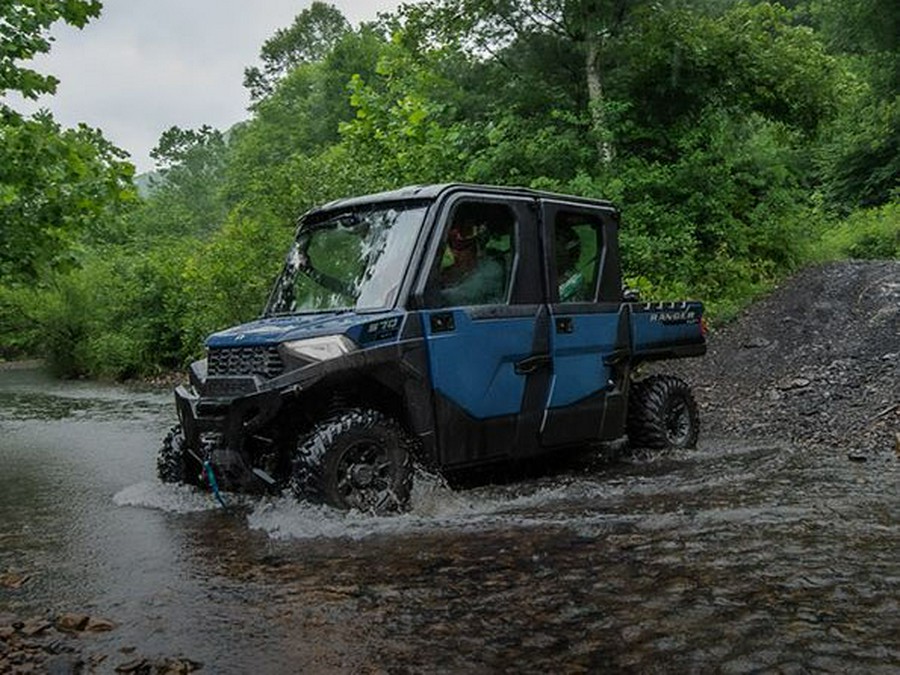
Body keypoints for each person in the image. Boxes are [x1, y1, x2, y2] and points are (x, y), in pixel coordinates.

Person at [438, 216, 506, 306]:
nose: (456, 254)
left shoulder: (491, 269)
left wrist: (436, 294)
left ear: (476, 247)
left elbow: (463, 295)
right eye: (452, 247)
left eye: (462, 248)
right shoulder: (454, 269)